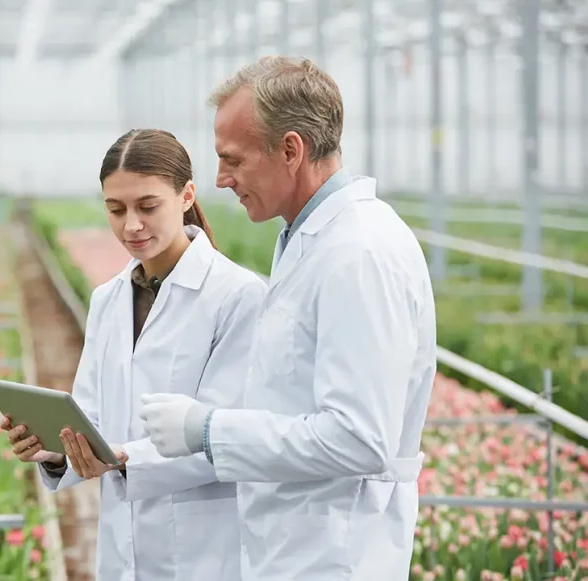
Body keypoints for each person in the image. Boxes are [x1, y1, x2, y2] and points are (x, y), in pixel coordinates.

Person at [138, 56, 437, 580]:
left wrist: (209, 429)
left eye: (233, 160)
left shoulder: (359, 252)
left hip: (334, 555)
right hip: (292, 548)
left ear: (291, 150)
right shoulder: (306, 239)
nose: (221, 178)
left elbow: (359, 438)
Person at [0, 128, 267, 581]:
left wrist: (125, 460)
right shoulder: (109, 299)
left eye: (147, 206)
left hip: (207, 552)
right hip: (123, 548)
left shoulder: (237, 296)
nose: (131, 226)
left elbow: (229, 435)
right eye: (115, 209)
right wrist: (55, 450)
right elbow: (93, 415)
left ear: (186, 196)